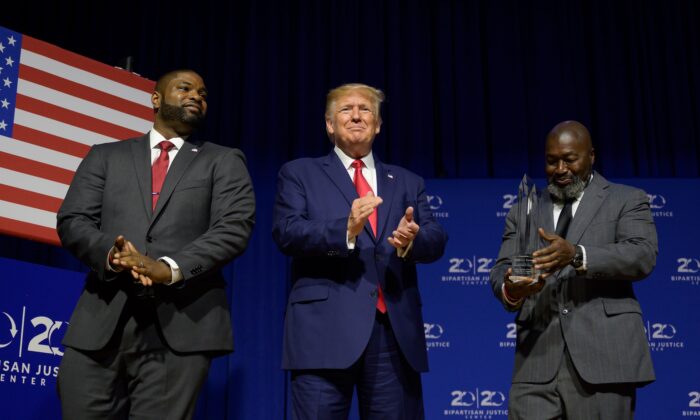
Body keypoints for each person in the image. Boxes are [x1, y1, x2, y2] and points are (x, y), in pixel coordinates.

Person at [56, 69, 255, 419]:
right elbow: (73, 220)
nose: (197, 95)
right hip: (101, 322)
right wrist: (113, 257)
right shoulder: (105, 155)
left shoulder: (223, 160)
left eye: (203, 93)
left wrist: (168, 268)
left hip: (181, 326)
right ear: (156, 98)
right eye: (185, 88)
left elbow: (234, 228)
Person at [272, 83, 447, 419]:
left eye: (365, 109)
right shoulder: (299, 173)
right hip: (323, 334)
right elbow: (287, 232)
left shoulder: (408, 181)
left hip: (393, 336)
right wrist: (345, 230)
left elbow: (436, 237)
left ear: (378, 124)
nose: (356, 116)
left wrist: (413, 240)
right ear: (329, 124)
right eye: (345, 109)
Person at [490, 120, 657, 419]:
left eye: (570, 159)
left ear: (591, 156)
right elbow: (501, 268)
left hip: (604, 360)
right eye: (552, 161)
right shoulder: (524, 209)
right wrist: (511, 288)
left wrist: (578, 255)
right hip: (536, 365)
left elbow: (641, 255)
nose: (561, 169)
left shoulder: (626, 199)